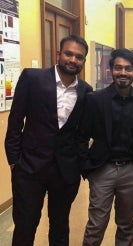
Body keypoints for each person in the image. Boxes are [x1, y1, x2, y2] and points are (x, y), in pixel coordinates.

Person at [4, 35, 92, 246]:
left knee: (60, 226)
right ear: (59, 54)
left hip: (65, 171)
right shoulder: (33, 78)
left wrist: (79, 165)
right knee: (26, 224)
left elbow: (82, 133)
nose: (73, 60)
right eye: (69, 54)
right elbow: (16, 121)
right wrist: (14, 161)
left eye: (79, 57)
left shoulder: (86, 91)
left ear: (84, 61)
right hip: (29, 168)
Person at [77, 48, 133, 246]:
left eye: (128, 69)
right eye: (118, 68)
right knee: (96, 224)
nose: (123, 73)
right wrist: (87, 165)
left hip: (131, 170)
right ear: (110, 70)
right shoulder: (95, 100)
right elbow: (82, 136)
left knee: (126, 223)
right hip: (102, 169)